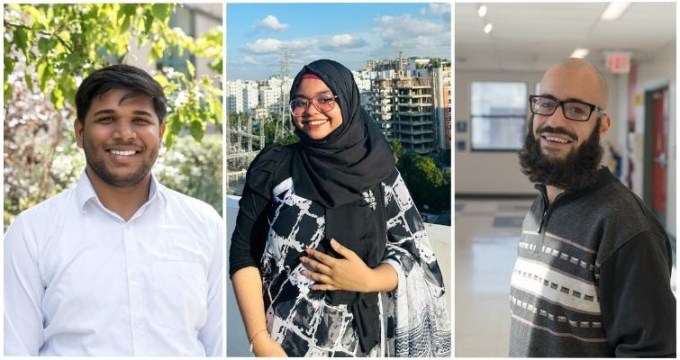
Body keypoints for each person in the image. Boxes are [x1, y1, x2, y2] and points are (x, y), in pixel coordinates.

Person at [229, 59, 450, 357]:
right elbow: (244, 252)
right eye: (300, 102)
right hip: (282, 346)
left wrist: (369, 280)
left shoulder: (380, 173)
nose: (311, 111)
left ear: (347, 101)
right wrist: (260, 341)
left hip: (364, 345)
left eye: (325, 100)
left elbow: (418, 256)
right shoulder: (275, 167)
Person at [4, 64, 224, 356]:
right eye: (107, 119)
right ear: (80, 132)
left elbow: (218, 346)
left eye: (140, 119)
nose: (124, 134)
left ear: (160, 132)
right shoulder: (32, 232)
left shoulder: (205, 225)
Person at [511, 58, 676, 357]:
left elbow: (652, 351)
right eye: (546, 103)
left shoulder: (624, 226)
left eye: (576, 109)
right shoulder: (539, 209)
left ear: (602, 125)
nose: (555, 121)